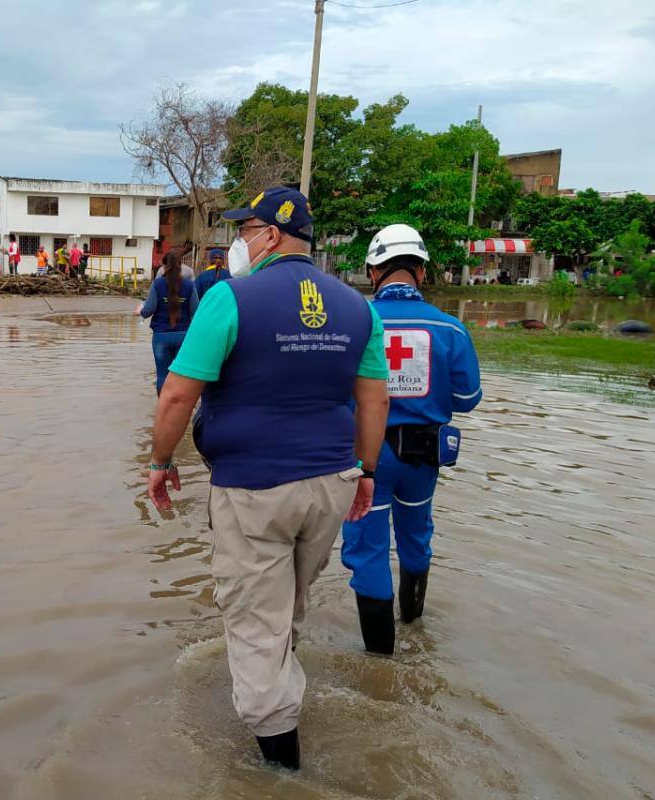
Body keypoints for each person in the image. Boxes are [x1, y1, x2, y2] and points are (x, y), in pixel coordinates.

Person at [145, 186, 390, 770]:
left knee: (254, 620)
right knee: (289, 602)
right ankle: (280, 685)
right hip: (331, 482)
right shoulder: (360, 308)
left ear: (272, 235)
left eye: (247, 230)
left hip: (254, 490)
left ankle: (280, 768)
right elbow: (374, 399)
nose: (241, 241)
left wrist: (160, 463)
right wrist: (367, 472)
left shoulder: (230, 299)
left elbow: (179, 393)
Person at [340, 224, 482, 656]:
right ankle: (414, 623)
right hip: (423, 457)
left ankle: (380, 661)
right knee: (416, 535)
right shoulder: (451, 330)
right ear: (421, 271)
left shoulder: (355, 321)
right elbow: (467, 399)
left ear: (372, 270)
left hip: (366, 456)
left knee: (368, 547)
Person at [136, 250, 199, 394]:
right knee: (182, 375)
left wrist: (140, 311)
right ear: (180, 266)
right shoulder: (190, 286)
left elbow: (149, 309)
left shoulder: (157, 284)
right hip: (183, 336)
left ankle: (162, 411)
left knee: (162, 375)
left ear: (164, 266)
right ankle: (182, 410)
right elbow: (196, 312)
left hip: (161, 336)